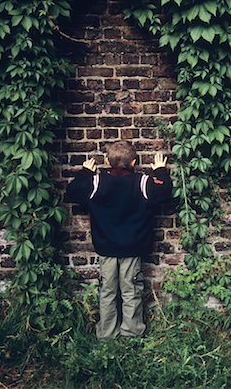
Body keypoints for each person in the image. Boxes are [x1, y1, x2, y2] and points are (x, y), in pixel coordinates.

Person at [66, 141, 172, 339]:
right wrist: (160, 172)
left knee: (107, 292)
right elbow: (164, 192)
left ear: (107, 161)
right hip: (132, 248)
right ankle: (131, 332)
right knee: (131, 291)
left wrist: (85, 172)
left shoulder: (96, 182)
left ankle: (107, 333)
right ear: (134, 162)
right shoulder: (143, 182)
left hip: (106, 248)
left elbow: (73, 191)